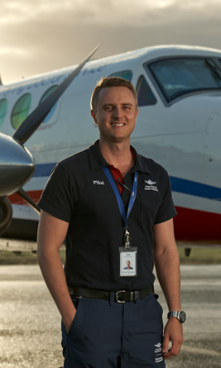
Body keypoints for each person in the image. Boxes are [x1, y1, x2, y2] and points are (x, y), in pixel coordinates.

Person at [37, 76, 184, 367]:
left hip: (144, 314)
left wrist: (175, 315)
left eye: (126, 107)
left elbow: (166, 249)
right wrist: (72, 318)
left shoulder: (156, 176)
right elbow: (47, 250)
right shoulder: (69, 173)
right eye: (109, 107)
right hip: (90, 314)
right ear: (94, 115)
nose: (118, 115)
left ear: (136, 113)